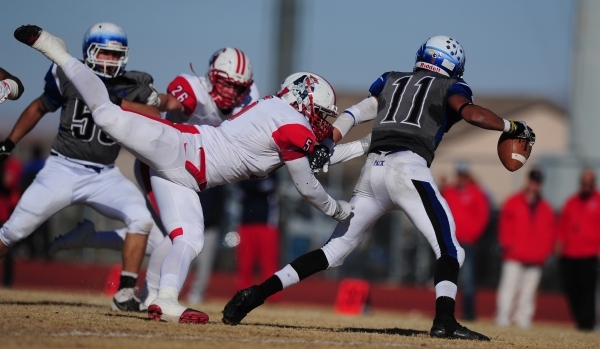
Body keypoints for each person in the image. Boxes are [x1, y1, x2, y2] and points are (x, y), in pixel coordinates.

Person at [14, 24, 357, 324]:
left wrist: (367, 143)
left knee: (187, 240)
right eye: (322, 112)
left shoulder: (280, 114)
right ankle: (57, 52)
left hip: (189, 178)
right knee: (104, 114)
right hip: (180, 147)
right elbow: (308, 186)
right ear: (304, 100)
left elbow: (320, 157)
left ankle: (165, 299)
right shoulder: (293, 125)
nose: (324, 120)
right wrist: (337, 210)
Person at [222, 35, 537, 341]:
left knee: (332, 251)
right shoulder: (449, 86)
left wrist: (329, 141)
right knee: (450, 249)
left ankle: (254, 295)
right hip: (409, 168)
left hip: (372, 169)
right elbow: (474, 114)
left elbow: (353, 113)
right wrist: (513, 126)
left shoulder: (392, 80)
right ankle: (444, 321)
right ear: (454, 66)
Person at [48, 48, 260, 307]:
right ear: (211, 77)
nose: (230, 92)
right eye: (226, 83)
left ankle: (92, 238)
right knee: (177, 237)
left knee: (164, 239)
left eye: (237, 87)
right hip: (161, 166)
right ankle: (151, 296)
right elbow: (170, 103)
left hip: (194, 174)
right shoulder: (192, 89)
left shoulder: (250, 100)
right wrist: (151, 100)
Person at [1, 22, 164, 312]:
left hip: (105, 174)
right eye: (104, 53)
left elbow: (155, 114)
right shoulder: (68, 75)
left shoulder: (132, 84)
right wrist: (10, 142)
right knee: (13, 231)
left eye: (115, 55)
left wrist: (118, 101)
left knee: (141, 219)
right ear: (89, 53)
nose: (109, 61)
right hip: (63, 168)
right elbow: (39, 107)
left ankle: (125, 294)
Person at [495, 168, 555, 328]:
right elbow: (504, 226)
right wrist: (508, 244)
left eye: (538, 182)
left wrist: (545, 251)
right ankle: (503, 316)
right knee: (509, 287)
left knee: (528, 291)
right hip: (514, 254)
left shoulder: (545, 207)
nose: (535, 185)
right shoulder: (513, 201)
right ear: (527, 181)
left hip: (535, 256)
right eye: (533, 181)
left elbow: (550, 232)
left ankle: (523, 318)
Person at [441, 160, 490, 321]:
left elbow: (483, 216)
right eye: (459, 175)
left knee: (468, 279)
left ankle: (468, 313)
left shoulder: (476, 192)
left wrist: (473, 234)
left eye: (464, 175)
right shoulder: (449, 192)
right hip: (451, 242)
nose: (461, 178)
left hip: (468, 242)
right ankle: (446, 311)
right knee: (449, 277)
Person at [556, 169, 600, 330]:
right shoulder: (571, 202)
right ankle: (581, 322)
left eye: (590, 181)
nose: (586, 184)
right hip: (570, 254)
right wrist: (559, 242)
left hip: (589, 254)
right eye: (584, 181)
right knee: (572, 290)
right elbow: (562, 225)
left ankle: (588, 324)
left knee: (588, 292)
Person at [235, 174, 280, 293]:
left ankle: (271, 295)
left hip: (266, 224)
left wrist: (252, 187)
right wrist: (256, 187)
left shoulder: (272, 168)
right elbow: (243, 187)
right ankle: (242, 294)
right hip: (246, 223)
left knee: (268, 263)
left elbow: (269, 185)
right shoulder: (245, 169)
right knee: (245, 263)